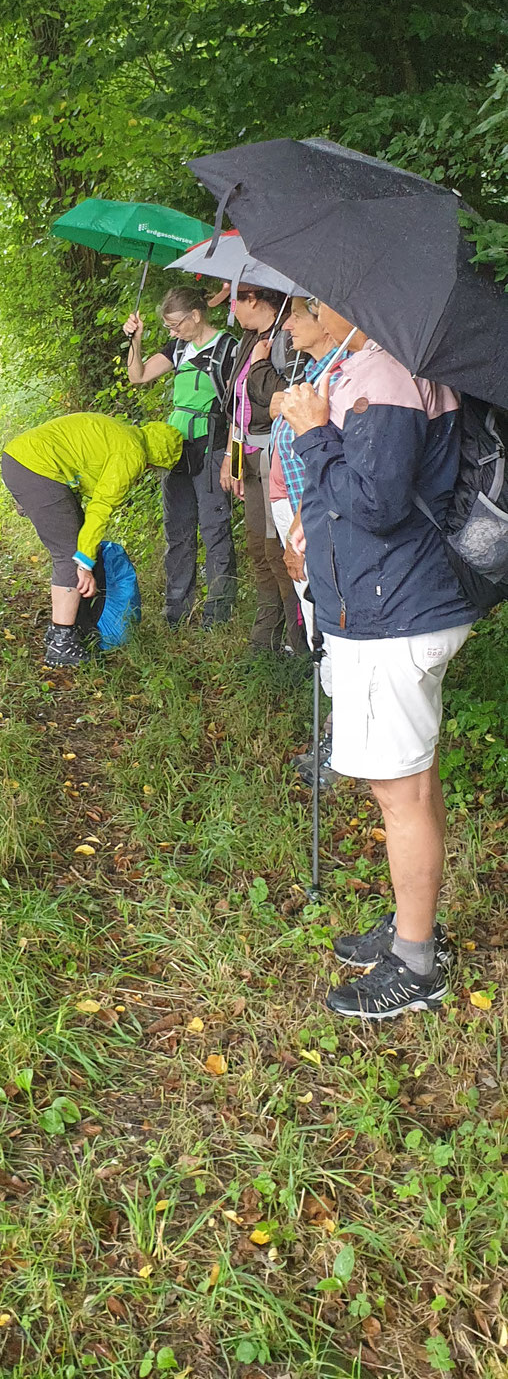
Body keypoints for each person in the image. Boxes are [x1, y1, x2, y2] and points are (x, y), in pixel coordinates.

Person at [282, 302, 474, 1020]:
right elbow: (364, 495)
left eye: (308, 297)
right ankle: (410, 926)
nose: (298, 310)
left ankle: (416, 965)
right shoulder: (373, 368)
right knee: (412, 785)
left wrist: (313, 434)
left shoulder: (388, 372)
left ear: (346, 302)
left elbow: (379, 503)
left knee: (401, 795)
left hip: (392, 613)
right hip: (392, 602)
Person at [2, 413, 182, 666]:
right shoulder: (131, 453)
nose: (150, 472)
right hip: (37, 468)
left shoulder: (125, 435)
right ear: (158, 457)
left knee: (78, 544)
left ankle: (66, 630)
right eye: (156, 468)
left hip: (25, 461)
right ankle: (62, 643)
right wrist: (84, 563)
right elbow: (101, 508)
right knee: (70, 553)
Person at [268, 295, 350, 783]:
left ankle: (341, 744)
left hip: (315, 518)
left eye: (301, 314)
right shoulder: (319, 370)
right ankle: (338, 737)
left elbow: (330, 459)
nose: (291, 324)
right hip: (299, 511)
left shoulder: (343, 376)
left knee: (330, 621)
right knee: (320, 616)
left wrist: (300, 527)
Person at [124, 285, 237, 628]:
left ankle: (217, 616)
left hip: (212, 446)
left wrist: (232, 455)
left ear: (196, 315)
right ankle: (177, 610)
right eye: (167, 327)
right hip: (175, 449)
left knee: (215, 529)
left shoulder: (227, 348)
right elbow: (137, 375)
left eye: (175, 324)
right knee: (178, 530)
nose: (171, 332)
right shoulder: (179, 347)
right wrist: (135, 340)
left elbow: (239, 408)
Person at [219, 285, 300, 655]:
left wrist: (262, 365)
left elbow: (286, 399)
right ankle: (264, 640)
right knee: (257, 547)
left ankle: (299, 645)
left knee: (276, 550)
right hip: (249, 457)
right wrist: (230, 456)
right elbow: (239, 405)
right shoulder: (249, 340)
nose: (231, 309)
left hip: (276, 459)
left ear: (253, 299)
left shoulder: (288, 336)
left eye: (234, 300)